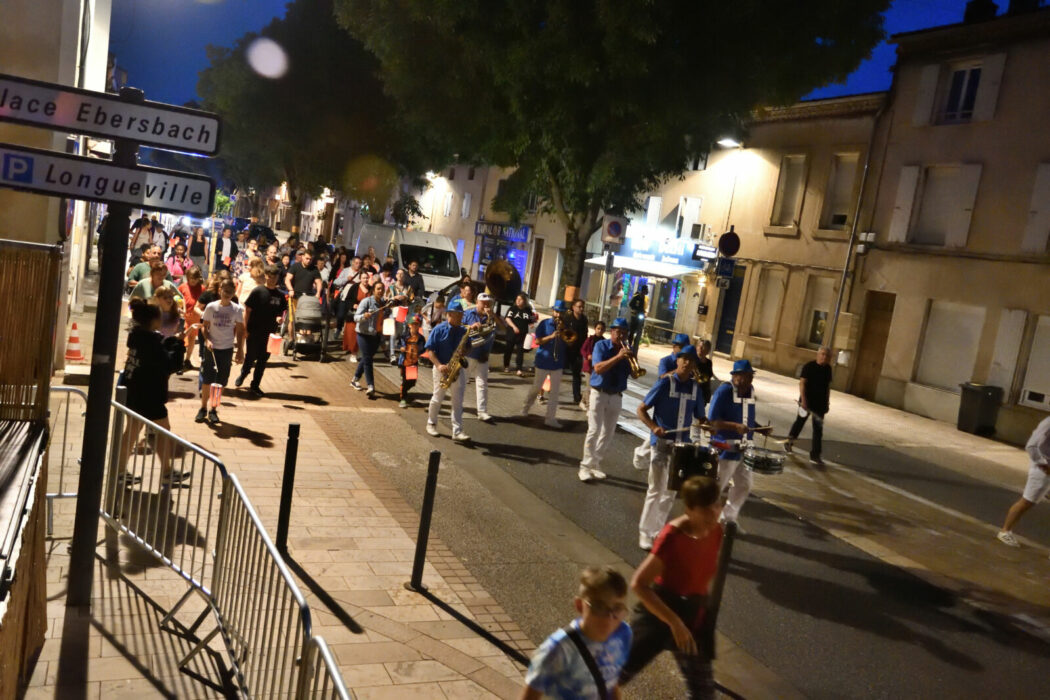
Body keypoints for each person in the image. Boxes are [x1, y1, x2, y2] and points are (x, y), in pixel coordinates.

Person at [619, 476, 724, 700]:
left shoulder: (716, 531)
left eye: (716, 505)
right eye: (706, 509)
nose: (713, 514)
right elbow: (639, 583)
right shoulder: (672, 537)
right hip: (661, 612)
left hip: (693, 614)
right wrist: (674, 622)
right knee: (614, 677)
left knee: (703, 693)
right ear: (689, 508)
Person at [520, 566, 632, 700]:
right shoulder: (557, 649)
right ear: (580, 605)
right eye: (599, 607)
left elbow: (610, 681)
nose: (609, 618)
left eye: (617, 609)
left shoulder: (622, 634)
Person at [636, 346, 708, 550]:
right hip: (661, 444)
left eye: (691, 360)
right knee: (655, 489)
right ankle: (645, 532)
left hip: (681, 447)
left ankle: (658, 531)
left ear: (695, 364)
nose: (686, 363)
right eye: (683, 359)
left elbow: (700, 417)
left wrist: (706, 424)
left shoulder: (696, 389)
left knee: (670, 492)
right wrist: (653, 427)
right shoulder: (665, 383)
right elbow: (641, 409)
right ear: (677, 361)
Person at [117, 298, 189, 488]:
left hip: (135, 391)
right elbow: (169, 365)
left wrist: (171, 342)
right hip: (149, 395)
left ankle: (122, 471)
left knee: (134, 432)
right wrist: (179, 345)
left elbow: (156, 356)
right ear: (154, 321)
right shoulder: (150, 342)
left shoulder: (138, 337)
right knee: (161, 431)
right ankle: (165, 473)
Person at [708, 360, 764, 526]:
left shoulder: (751, 391)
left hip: (744, 448)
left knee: (745, 485)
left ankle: (728, 519)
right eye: (743, 376)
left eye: (749, 377)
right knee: (717, 487)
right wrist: (734, 426)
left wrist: (759, 429)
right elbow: (712, 422)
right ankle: (707, 521)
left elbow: (747, 419)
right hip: (725, 447)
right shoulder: (724, 391)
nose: (747, 380)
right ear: (734, 376)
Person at [579, 318, 632, 482]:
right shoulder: (601, 346)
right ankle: (585, 467)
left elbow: (633, 373)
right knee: (594, 430)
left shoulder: (627, 350)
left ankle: (595, 463)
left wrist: (631, 360)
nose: (620, 335)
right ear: (612, 331)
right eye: (618, 331)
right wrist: (618, 357)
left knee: (608, 433)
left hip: (616, 395)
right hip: (599, 392)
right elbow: (598, 368)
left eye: (624, 332)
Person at [633, 333, 690, 471]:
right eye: (681, 347)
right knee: (659, 429)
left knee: (662, 433)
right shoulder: (665, 360)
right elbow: (662, 377)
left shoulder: (688, 360)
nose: (683, 350)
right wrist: (678, 371)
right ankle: (640, 453)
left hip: (681, 398)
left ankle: (642, 452)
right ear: (674, 347)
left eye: (686, 347)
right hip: (662, 397)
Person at [997, 415, 1050, 552]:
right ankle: (1005, 531)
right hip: (1043, 470)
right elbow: (1031, 446)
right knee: (1027, 501)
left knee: (1028, 501)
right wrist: (1044, 465)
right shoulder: (1048, 423)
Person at [197, 280, 245, 426]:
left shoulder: (236, 309)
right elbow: (204, 327)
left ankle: (213, 409)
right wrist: (207, 340)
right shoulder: (211, 307)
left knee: (220, 382)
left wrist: (240, 350)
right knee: (207, 380)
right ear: (220, 291)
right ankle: (203, 407)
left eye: (230, 291)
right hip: (211, 349)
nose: (227, 294)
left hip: (226, 349)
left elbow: (240, 330)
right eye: (225, 290)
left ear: (233, 292)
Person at [235, 263, 287, 397]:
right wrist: (245, 328)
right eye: (270, 277)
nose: (272, 280)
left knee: (263, 360)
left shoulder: (280, 296)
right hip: (254, 330)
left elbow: (282, 312)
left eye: (275, 278)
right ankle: (244, 373)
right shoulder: (258, 291)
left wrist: (280, 319)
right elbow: (247, 310)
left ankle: (255, 385)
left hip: (270, 333)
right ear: (265, 277)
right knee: (250, 357)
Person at [423, 299, 470, 441]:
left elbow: (469, 346)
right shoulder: (439, 329)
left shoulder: (463, 331)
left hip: (457, 369)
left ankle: (457, 431)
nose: (461, 317)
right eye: (459, 314)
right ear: (450, 314)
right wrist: (438, 365)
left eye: (462, 314)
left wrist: (464, 351)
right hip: (441, 368)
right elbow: (430, 350)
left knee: (458, 401)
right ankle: (431, 423)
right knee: (437, 398)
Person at [522, 301, 569, 429]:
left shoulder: (566, 326)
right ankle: (525, 408)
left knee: (554, 392)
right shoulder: (544, 324)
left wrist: (564, 332)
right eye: (557, 312)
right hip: (543, 361)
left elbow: (569, 342)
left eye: (561, 312)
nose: (559, 315)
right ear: (553, 311)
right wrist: (551, 336)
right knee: (536, 387)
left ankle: (550, 418)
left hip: (558, 362)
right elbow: (537, 341)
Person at [786, 346, 833, 466]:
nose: (824, 357)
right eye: (822, 354)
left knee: (818, 430)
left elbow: (827, 387)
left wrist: (827, 402)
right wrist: (804, 401)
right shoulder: (809, 367)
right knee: (799, 423)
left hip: (819, 405)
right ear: (818, 355)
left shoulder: (828, 369)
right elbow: (802, 383)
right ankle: (789, 442)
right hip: (806, 402)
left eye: (827, 355)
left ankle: (815, 455)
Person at [463, 293, 503, 423]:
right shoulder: (469, 314)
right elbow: (458, 328)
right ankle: (456, 406)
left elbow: (504, 329)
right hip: (469, 353)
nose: (486, 306)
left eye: (488, 303)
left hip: (483, 355)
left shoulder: (491, 317)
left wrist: (492, 316)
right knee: (461, 382)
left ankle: (482, 412)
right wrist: (470, 327)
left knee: (482, 384)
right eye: (483, 303)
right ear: (477, 302)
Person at [352, 280, 387, 397]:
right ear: (373, 290)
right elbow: (356, 317)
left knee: (366, 358)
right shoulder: (366, 301)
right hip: (363, 334)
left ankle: (355, 379)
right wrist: (364, 316)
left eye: (382, 289)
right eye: (378, 288)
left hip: (375, 335)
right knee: (368, 360)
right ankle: (371, 385)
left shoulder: (383, 303)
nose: (380, 291)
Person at [178, 266, 205, 371]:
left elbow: (204, 301)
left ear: (199, 279)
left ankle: (187, 359)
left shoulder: (202, 288)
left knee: (192, 339)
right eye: (190, 279)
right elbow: (178, 298)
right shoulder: (183, 287)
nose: (192, 281)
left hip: (195, 317)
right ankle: (179, 360)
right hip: (184, 316)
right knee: (182, 338)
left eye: (194, 279)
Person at [396, 314, 424, 409]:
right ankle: (403, 398)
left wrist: (419, 352)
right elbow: (399, 344)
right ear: (409, 325)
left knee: (412, 382)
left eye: (416, 324)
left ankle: (404, 392)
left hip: (413, 362)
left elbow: (422, 348)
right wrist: (401, 348)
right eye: (413, 324)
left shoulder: (420, 338)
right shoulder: (405, 336)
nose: (414, 326)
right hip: (405, 362)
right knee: (405, 380)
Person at [565, 299, 590, 406]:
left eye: (582, 307)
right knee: (556, 371)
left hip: (578, 349)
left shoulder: (584, 319)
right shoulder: (568, 318)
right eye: (579, 306)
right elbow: (564, 331)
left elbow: (585, 334)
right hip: (567, 348)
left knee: (576, 374)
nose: (581, 309)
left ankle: (576, 396)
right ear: (573, 307)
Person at [503, 293, 534, 376]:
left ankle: (519, 368)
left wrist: (531, 324)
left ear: (524, 301)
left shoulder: (528, 310)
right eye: (517, 299)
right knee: (508, 350)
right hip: (511, 334)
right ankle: (506, 366)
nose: (518, 301)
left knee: (520, 352)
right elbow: (507, 319)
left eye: (520, 299)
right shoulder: (512, 309)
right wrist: (514, 327)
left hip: (522, 335)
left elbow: (531, 320)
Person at [386, 269, 414, 361]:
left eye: (402, 274)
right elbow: (386, 298)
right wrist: (395, 297)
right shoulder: (391, 287)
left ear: (405, 276)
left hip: (403, 311)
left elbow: (412, 299)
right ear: (396, 275)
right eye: (398, 273)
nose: (400, 275)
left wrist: (405, 297)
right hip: (393, 310)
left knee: (402, 332)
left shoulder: (408, 287)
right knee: (392, 333)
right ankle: (392, 355)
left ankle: (397, 351)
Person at [627, 284, 648, 349]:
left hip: (641, 316)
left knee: (639, 330)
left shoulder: (645, 298)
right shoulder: (636, 296)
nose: (647, 291)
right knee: (632, 330)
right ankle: (629, 343)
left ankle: (636, 344)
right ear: (643, 290)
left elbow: (644, 307)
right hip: (635, 316)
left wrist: (645, 312)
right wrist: (635, 309)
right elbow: (631, 304)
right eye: (646, 290)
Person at [696, 340, 716, 405]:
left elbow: (709, 376)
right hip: (693, 391)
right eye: (699, 346)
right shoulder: (692, 361)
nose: (701, 348)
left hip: (703, 393)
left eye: (703, 347)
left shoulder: (709, 363)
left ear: (708, 351)